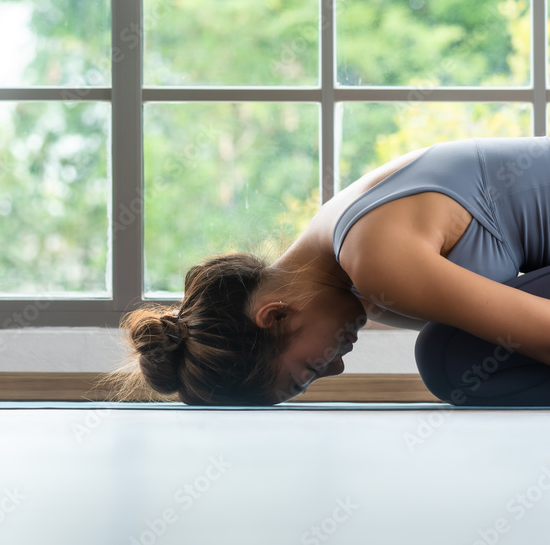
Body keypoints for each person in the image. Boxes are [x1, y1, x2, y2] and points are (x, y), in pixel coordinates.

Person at [110, 136, 550, 407]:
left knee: (448, 361)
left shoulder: (376, 261)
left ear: (276, 315)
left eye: (310, 370)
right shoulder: (344, 254)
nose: (337, 367)